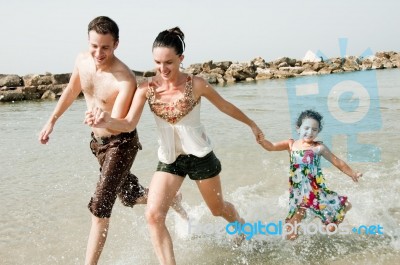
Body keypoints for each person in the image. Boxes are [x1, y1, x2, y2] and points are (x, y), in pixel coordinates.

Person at [84, 26, 264, 264]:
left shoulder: (196, 84)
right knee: (153, 216)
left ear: (181, 59)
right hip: (170, 159)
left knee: (217, 208)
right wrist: (107, 121)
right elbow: (128, 123)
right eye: (157, 62)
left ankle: (241, 226)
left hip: (200, 156)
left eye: (168, 62)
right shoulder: (146, 89)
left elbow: (225, 106)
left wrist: (252, 124)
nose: (162, 69)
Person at [38, 17, 185, 265]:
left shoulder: (124, 78)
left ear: (116, 44)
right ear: (88, 42)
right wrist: (52, 120)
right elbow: (72, 90)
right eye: (94, 46)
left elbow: (120, 121)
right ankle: (170, 199)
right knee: (129, 196)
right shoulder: (82, 61)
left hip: (121, 143)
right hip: (98, 144)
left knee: (100, 207)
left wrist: (104, 119)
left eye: (105, 47)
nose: (99, 52)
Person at [258, 109, 363, 240]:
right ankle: (293, 247)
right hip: (297, 192)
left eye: (314, 129)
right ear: (298, 128)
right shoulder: (291, 144)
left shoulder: (319, 148)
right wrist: (262, 141)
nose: (310, 132)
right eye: (306, 128)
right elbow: (271, 146)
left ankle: (339, 213)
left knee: (328, 225)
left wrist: (352, 173)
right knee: (294, 225)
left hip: (314, 191)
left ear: (318, 131)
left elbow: (337, 162)